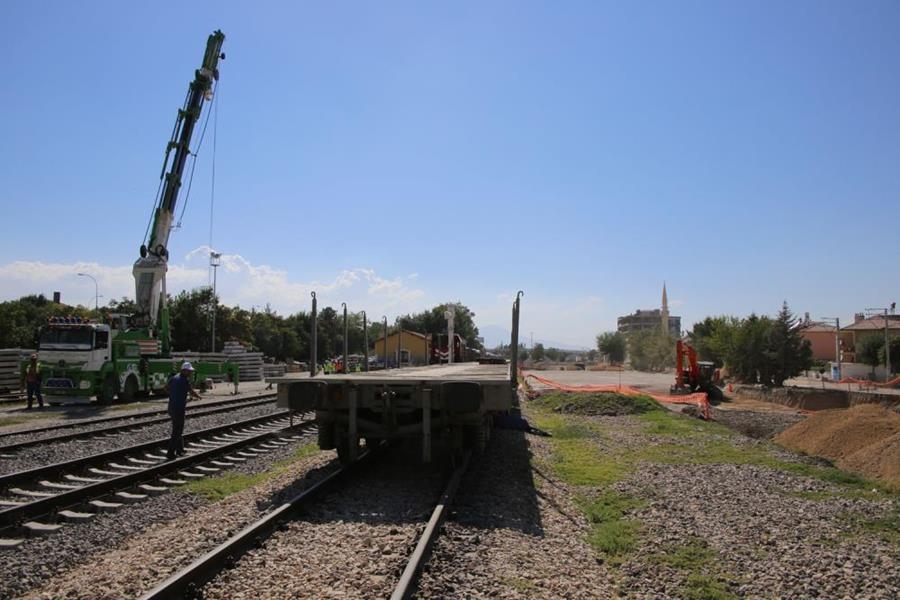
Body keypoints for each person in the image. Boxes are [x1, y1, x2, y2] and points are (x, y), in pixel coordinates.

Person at [165, 362, 201, 460]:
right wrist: (199, 397)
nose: (190, 373)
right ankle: (170, 453)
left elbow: (166, 388)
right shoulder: (184, 380)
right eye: (189, 371)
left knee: (178, 428)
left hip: (171, 407)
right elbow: (191, 392)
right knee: (177, 431)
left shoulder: (174, 378)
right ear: (184, 370)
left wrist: (174, 396)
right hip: (179, 409)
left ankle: (180, 450)